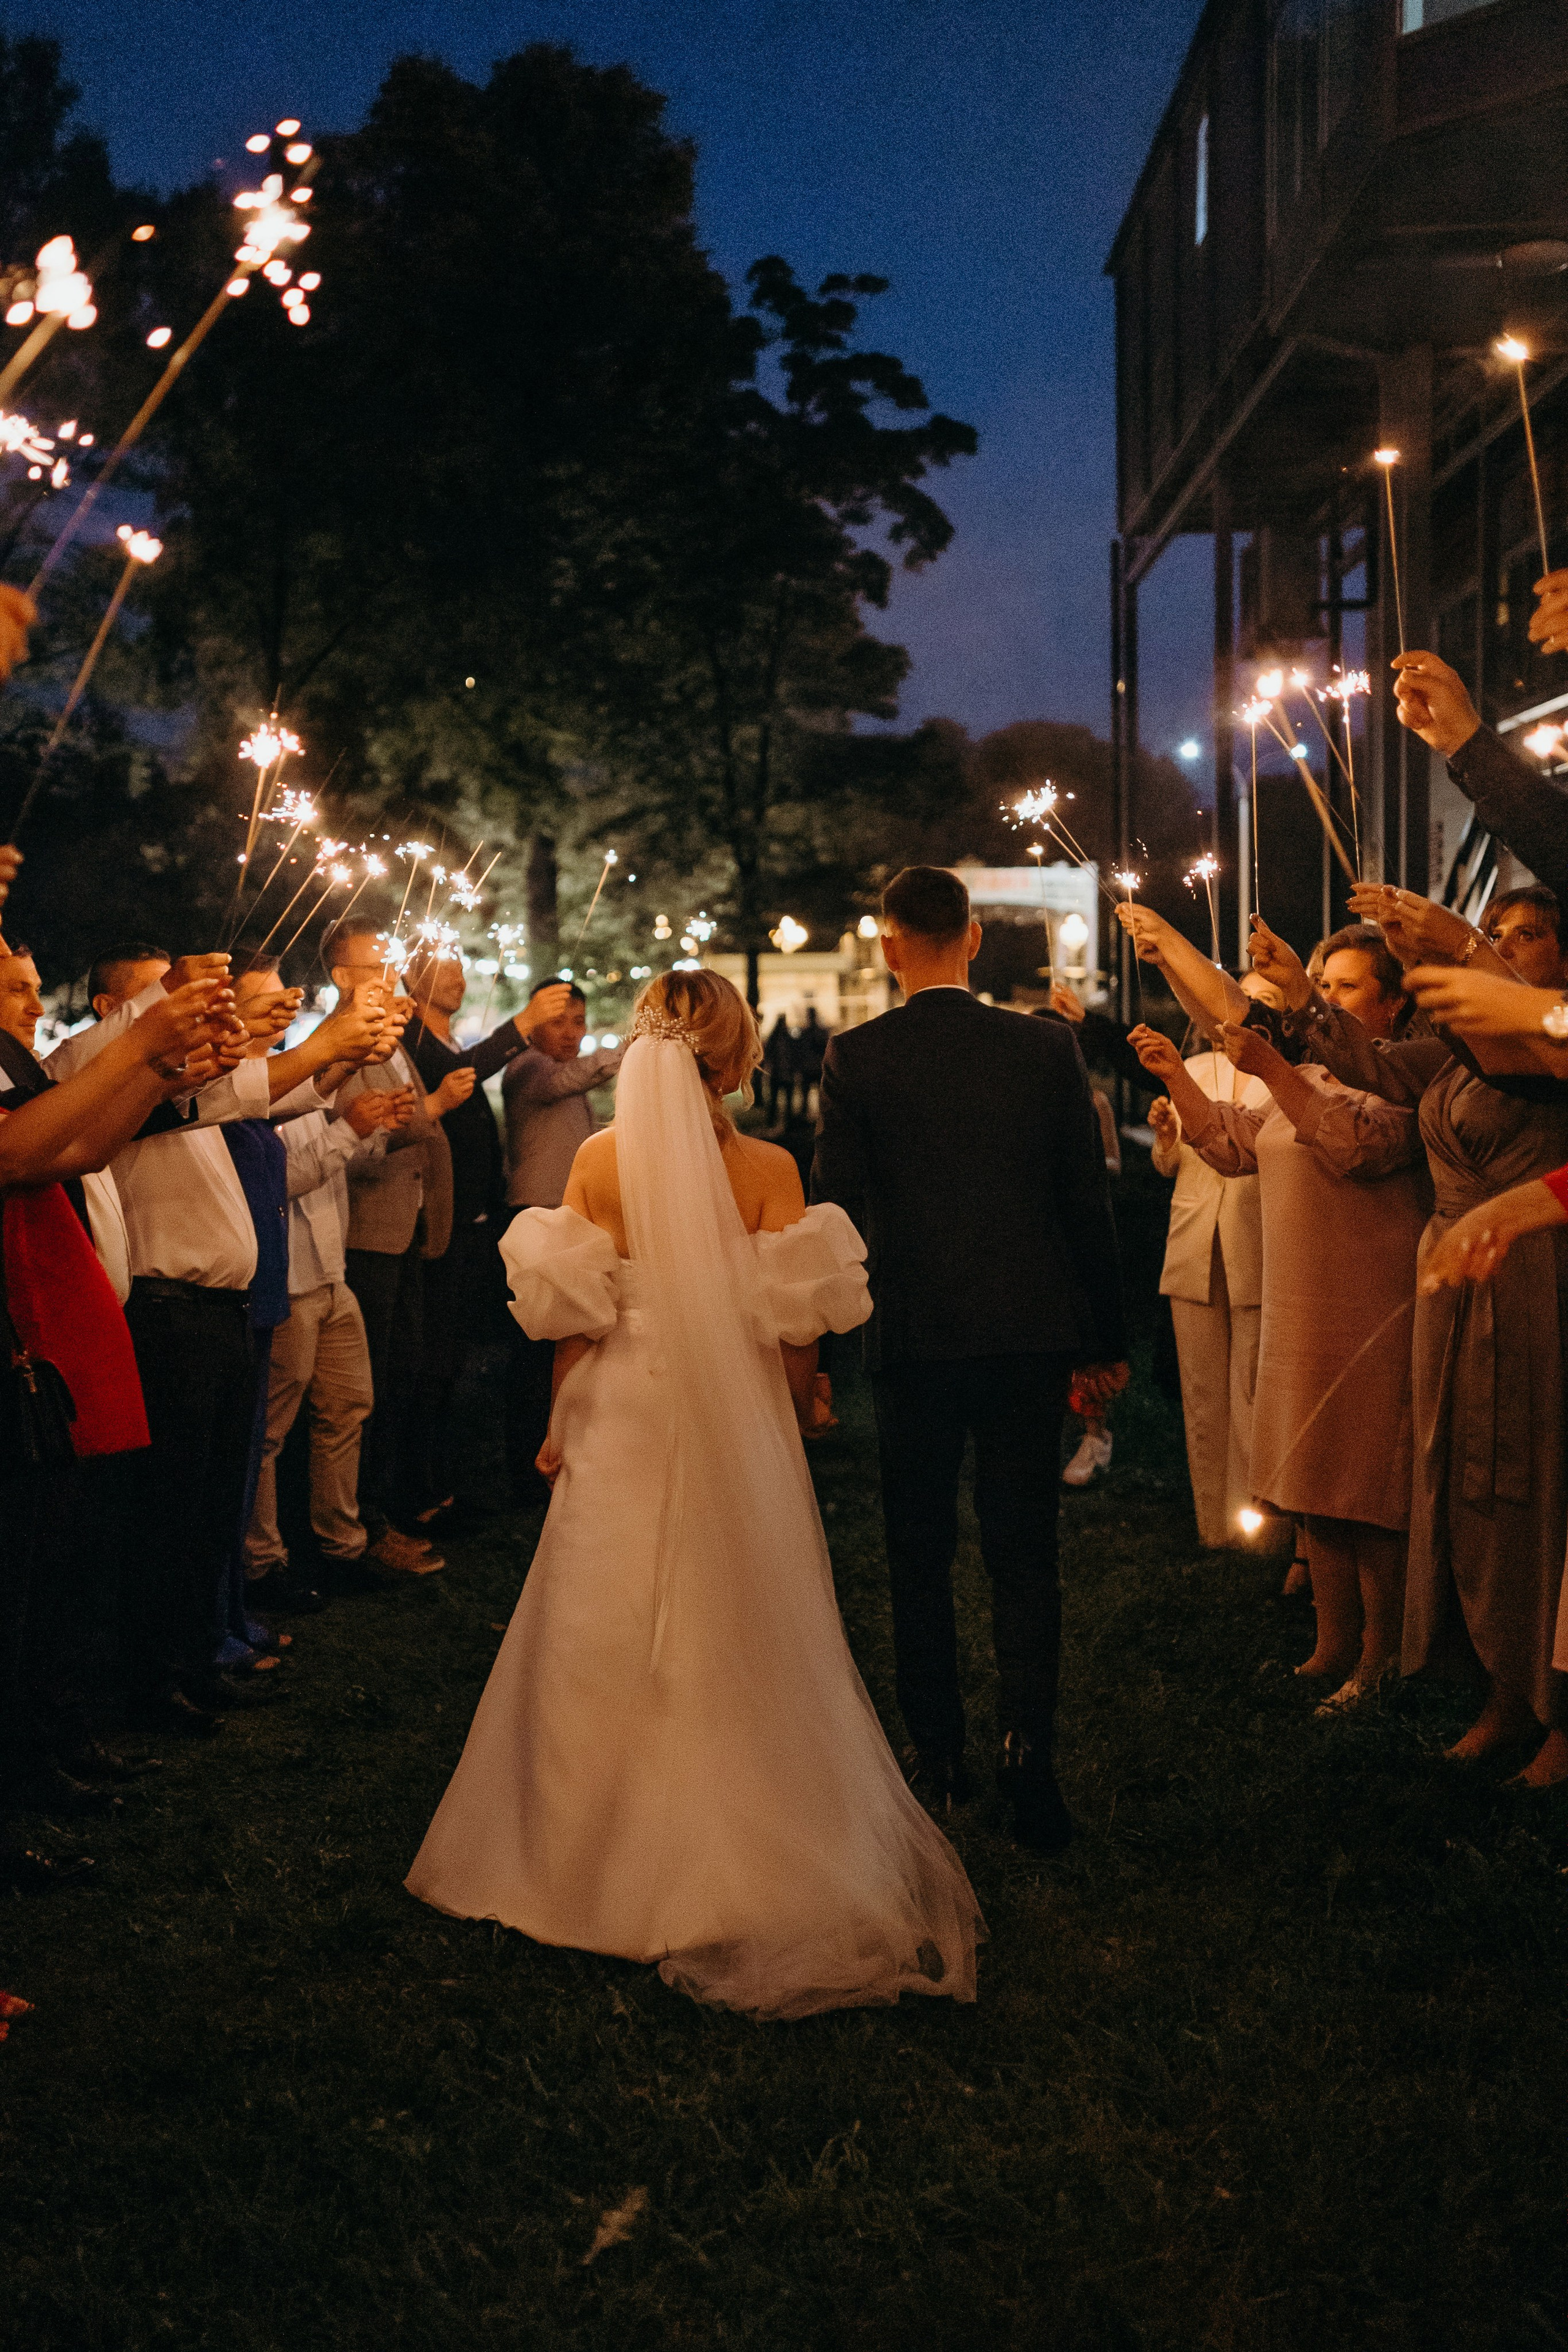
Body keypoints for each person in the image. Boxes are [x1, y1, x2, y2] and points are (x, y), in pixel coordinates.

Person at [407, 968, 982, 2018]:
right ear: (739, 1058)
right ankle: (734, 1843)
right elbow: (793, 1327)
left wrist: (558, 1419)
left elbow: (574, 1314)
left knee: (601, 1614)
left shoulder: (598, 1159)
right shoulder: (767, 1167)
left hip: (624, 1403)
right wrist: (798, 1417)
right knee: (728, 1612)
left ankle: (577, 1864)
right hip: (729, 1412)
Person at [811, 866, 1128, 1853]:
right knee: (1024, 1551)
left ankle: (938, 1756)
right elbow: (1087, 1202)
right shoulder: (1044, 1046)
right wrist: (1104, 1339)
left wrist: (822, 1340)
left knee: (918, 1549)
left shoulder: (856, 1057)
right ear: (977, 939)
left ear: (890, 943)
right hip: (1028, 1332)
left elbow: (838, 1210)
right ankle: (1029, 1761)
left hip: (914, 1338)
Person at [1131, 1016, 1430, 1713]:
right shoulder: (1310, 1078)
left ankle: (1382, 1654)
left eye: (1349, 989)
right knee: (1314, 1473)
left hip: (1369, 1293)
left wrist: (1270, 1067)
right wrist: (1176, 1075)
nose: (1329, 1005)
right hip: (1300, 1294)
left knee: (1365, 1483)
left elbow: (1354, 1147)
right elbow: (1234, 1145)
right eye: (1326, 987)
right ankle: (1332, 1642)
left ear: (1389, 1005)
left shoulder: (1402, 1087)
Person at [402, 956, 575, 1526]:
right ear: (410, 977)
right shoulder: (412, 1039)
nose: (460, 978)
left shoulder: (451, 1039)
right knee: (433, 1361)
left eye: (459, 969)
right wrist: (522, 1025)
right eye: (445, 969)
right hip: (439, 1226)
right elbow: (461, 1074)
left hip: (479, 1219)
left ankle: (452, 1481)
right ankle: (424, 1492)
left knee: (460, 1360)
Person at [244, 1063, 410, 1611]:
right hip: (288, 1280)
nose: (288, 1008)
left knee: (347, 1409)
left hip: (332, 1275)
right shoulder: (250, 1091)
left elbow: (349, 1163)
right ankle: (262, 1563)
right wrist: (347, 1129)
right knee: (268, 1430)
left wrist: (374, 1126)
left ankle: (341, 1547)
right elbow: (279, 1179)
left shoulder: (308, 1080)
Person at [328, 918, 460, 1576]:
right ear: (340, 978)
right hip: (367, 1235)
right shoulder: (335, 1050)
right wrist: (426, 1114)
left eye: (392, 963)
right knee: (367, 1385)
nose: (390, 975)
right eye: (374, 965)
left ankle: (384, 1510)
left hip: (403, 1229)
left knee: (399, 1373)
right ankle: (365, 1524)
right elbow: (345, 1152)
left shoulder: (392, 1042)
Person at [1145, 974, 1283, 1548]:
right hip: (1195, 1241)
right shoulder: (1194, 1071)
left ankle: (1253, 1521)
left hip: (1256, 1238)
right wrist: (1167, 1136)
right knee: (1202, 1391)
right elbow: (1169, 1166)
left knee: (1251, 1386)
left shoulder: (1286, 1074)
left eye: (1261, 1000)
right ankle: (1212, 1524)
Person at [500, 981, 623, 1503]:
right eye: (559, 1022)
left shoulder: (556, 1074)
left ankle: (562, 1452)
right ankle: (529, 1466)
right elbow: (573, 1076)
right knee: (538, 1350)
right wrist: (639, 1045)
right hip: (536, 1217)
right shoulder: (528, 1067)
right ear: (534, 1025)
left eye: (579, 1021)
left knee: (567, 1341)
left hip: (564, 1219)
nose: (573, 1034)